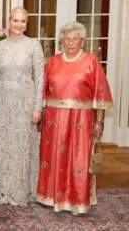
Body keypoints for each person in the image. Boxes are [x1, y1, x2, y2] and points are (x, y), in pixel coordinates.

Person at [36, 21, 113, 215]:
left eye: (75, 39)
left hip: (81, 119)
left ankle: (76, 200)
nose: (71, 43)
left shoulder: (91, 61)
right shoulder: (52, 61)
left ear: (83, 41)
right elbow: (42, 92)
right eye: (67, 39)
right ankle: (52, 197)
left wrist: (99, 121)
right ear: (61, 41)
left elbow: (100, 93)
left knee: (78, 159)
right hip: (53, 119)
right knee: (53, 157)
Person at [0, 7, 44, 206]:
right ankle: (1, 189)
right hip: (2, 101)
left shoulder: (34, 46)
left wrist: (38, 107)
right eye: (15, 20)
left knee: (22, 146)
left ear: (27, 24)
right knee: (4, 145)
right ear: (9, 21)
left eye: (23, 21)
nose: (19, 24)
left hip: (25, 102)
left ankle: (22, 191)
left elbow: (40, 79)